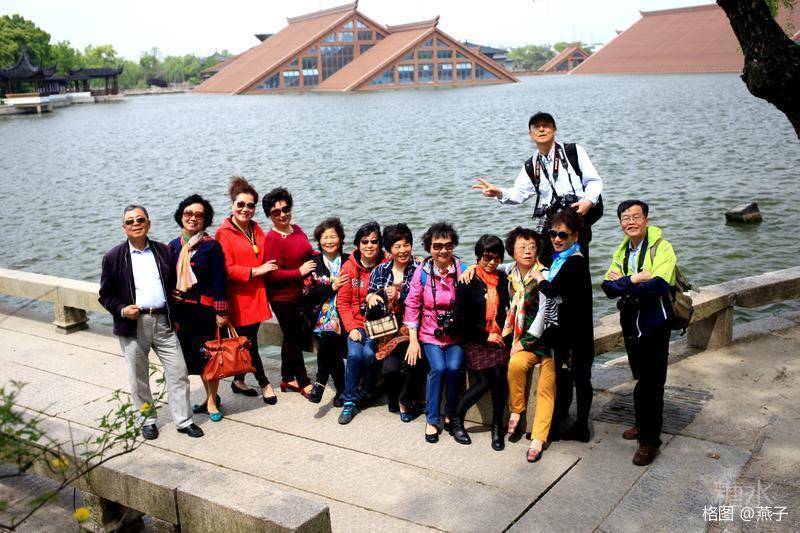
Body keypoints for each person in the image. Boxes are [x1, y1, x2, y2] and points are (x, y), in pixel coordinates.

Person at [99, 205, 203, 439]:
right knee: (139, 378)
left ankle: (184, 420)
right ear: (124, 227)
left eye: (140, 219)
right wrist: (123, 310)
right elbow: (105, 296)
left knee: (179, 372)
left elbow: (172, 285)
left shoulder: (163, 251)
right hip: (133, 325)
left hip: (163, 321)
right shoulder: (113, 257)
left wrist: (175, 311)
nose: (135, 224)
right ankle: (147, 419)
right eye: (130, 221)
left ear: (148, 223)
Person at [601, 200, 678, 466]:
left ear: (646, 219)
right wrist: (635, 279)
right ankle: (640, 424)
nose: (631, 222)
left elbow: (658, 285)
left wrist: (624, 284)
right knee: (641, 378)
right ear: (620, 223)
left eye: (636, 216)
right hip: (631, 323)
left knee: (653, 384)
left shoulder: (662, 247)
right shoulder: (623, 251)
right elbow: (607, 288)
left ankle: (649, 441)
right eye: (626, 218)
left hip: (655, 322)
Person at [473, 111, 603, 262]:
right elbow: (520, 193)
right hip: (551, 225)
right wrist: (499, 192)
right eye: (536, 127)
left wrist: (588, 201)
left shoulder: (572, 152)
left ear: (554, 130)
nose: (541, 129)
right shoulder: (531, 164)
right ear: (530, 133)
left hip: (575, 221)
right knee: (545, 267)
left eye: (546, 125)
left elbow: (594, 181)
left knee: (576, 267)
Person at [530, 210, 595, 442]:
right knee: (564, 378)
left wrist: (539, 277)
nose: (557, 239)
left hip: (578, 333)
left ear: (575, 236)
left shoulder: (575, 262)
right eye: (553, 234)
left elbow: (552, 289)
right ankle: (559, 422)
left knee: (581, 379)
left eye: (563, 235)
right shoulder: (561, 259)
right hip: (563, 331)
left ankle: (582, 426)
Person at [214, 176, 278, 404]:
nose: (245, 209)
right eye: (240, 204)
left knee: (247, 340)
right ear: (232, 204)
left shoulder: (256, 228)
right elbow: (227, 269)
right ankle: (264, 383)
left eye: (250, 205)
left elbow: (268, 254)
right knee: (249, 343)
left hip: (257, 295)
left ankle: (238, 380)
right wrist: (257, 270)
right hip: (238, 298)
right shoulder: (223, 233)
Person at [404, 222, 467, 443]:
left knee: (455, 368)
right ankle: (432, 419)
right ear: (429, 248)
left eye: (448, 245)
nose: (443, 251)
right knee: (438, 369)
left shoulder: (463, 270)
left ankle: (451, 414)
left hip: (456, 334)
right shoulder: (422, 273)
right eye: (437, 246)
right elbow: (412, 305)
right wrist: (413, 340)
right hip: (430, 333)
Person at [168, 194, 228, 422]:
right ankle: (209, 397)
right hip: (182, 314)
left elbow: (220, 281)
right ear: (181, 216)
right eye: (188, 213)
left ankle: (211, 401)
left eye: (199, 215)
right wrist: (170, 295)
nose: (193, 218)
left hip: (205, 313)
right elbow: (167, 278)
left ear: (205, 220)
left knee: (209, 358)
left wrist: (221, 312)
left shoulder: (211, 246)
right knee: (192, 360)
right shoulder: (173, 247)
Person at [449, 234, 510, 451]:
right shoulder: (467, 281)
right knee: (486, 379)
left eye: (497, 258)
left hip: (497, 339)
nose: (492, 262)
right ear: (478, 257)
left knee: (499, 376)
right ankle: (456, 418)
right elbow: (460, 322)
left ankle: (497, 428)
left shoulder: (503, 280)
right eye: (487, 257)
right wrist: (486, 336)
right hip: (474, 340)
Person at [365, 223, 424, 421]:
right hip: (388, 332)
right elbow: (369, 297)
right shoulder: (380, 271)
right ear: (389, 249)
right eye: (397, 246)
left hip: (413, 330)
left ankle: (405, 402)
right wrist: (372, 298)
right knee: (390, 369)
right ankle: (394, 398)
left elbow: (423, 300)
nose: (403, 250)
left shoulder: (420, 268)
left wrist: (400, 295)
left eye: (406, 245)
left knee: (412, 362)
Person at [262, 187, 316, 399]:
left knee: (291, 336)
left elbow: (309, 252)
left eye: (285, 209)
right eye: (276, 212)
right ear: (269, 215)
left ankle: (286, 377)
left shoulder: (297, 229)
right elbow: (271, 274)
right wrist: (298, 272)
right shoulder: (272, 239)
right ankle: (303, 381)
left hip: (302, 293)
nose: (282, 215)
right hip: (282, 298)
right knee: (294, 338)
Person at [337, 222, 383, 424]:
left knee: (369, 353)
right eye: (365, 242)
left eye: (374, 241)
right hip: (356, 324)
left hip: (380, 326)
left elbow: (407, 261)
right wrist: (351, 328)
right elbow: (343, 303)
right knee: (355, 354)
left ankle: (367, 390)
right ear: (358, 244)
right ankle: (349, 400)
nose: (370, 246)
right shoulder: (349, 267)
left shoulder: (386, 264)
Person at [302, 217, 349, 407]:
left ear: (340, 239)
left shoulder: (349, 261)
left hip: (345, 314)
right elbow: (307, 295)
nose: (329, 241)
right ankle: (341, 390)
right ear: (319, 240)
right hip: (319, 316)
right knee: (330, 337)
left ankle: (321, 381)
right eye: (325, 237)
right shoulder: (313, 264)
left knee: (330, 339)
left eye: (333, 237)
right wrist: (332, 287)